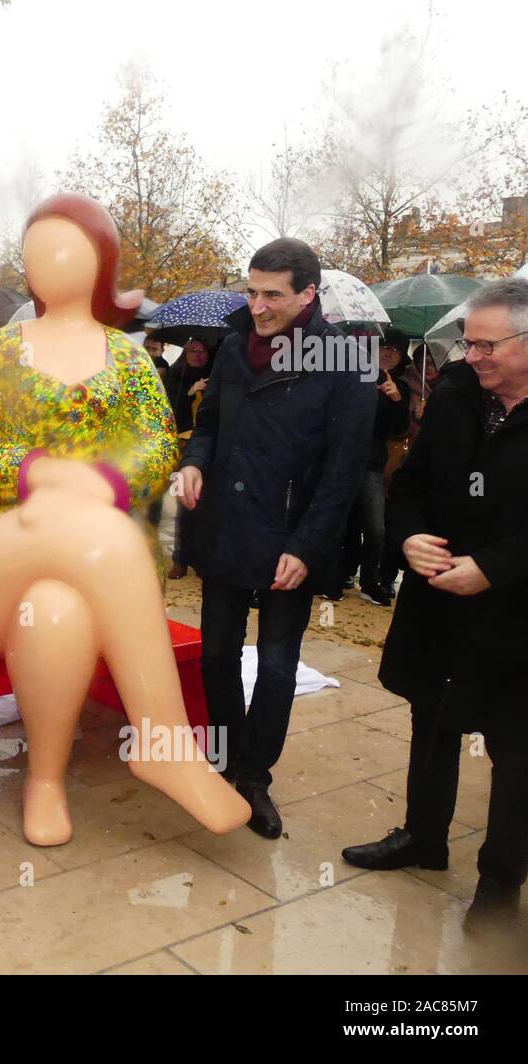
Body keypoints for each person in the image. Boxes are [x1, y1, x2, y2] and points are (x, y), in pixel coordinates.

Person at [0, 194, 251, 846]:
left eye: (65, 248)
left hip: (89, 577)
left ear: (102, 260)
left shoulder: (128, 359)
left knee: (57, 611)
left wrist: (105, 480)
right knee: (99, 535)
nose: (47, 263)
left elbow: (158, 446)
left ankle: (45, 781)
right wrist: (40, 475)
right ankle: (162, 739)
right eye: (35, 250)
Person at [343, 278, 528, 927]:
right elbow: (409, 484)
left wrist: (497, 569)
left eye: (488, 345)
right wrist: (409, 537)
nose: (472, 356)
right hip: (440, 607)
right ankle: (423, 838)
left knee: (515, 754)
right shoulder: (455, 394)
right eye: (468, 342)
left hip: (515, 621)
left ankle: (499, 888)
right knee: (434, 721)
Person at [178, 238, 375, 838]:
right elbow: (209, 424)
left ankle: (255, 775)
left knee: (278, 665)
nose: (257, 306)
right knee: (215, 653)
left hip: (293, 535)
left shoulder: (346, 362)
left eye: (272, 294)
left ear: (308, 294)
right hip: (228, 528)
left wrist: (307, 545)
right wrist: (196, 462)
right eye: (251, 290)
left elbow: (345, 471)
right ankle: (225, 757)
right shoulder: (235, 349)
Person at [338, 330, 412, 606]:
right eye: (384, 346)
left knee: (375, 527)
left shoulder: (399, 388)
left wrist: (395, 401)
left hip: (372, 464)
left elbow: (398, 428)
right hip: (342, 459)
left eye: (396, 349)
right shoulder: (352, 375)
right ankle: (336, 575)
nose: (389, 353)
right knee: (340, 523)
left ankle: (371, 581)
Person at [162, 336, 216, 579]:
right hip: (185, 446)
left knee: (207, 507)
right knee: (185, 504)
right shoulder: (177, 374)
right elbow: (169, 409)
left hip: (210, 448)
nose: (197, 355)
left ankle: (203, 559)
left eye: (201, 350)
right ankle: (180, 559)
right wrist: (189, 393)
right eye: (192, 350)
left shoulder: (218, 370)